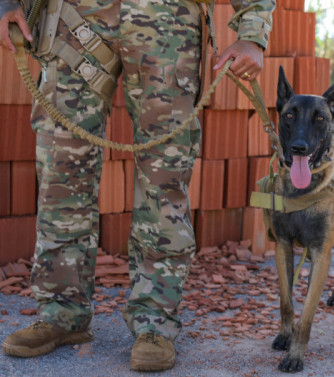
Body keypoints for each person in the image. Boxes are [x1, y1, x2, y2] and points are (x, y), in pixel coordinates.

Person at [0, 0, 274, 371]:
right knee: (60, 168)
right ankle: (61, 313)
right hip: (73, 18)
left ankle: (155, 322)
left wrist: (253, 33)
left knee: (165, 174)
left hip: (168, 19)